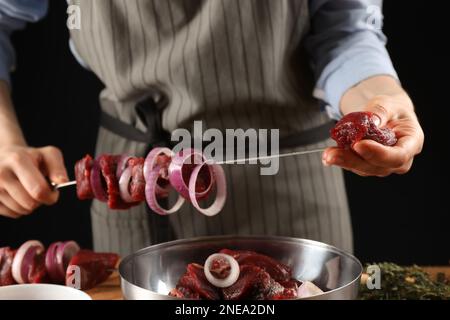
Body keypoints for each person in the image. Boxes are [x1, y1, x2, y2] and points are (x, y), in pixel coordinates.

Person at [0, 0, 424, 256]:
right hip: (135, 187)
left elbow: (343, 30)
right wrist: (4, 140)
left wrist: (380, 101)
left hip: (289, 186)